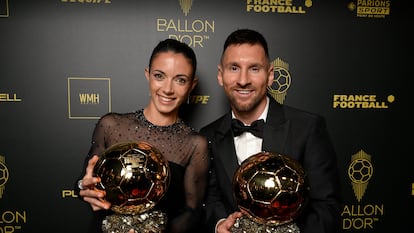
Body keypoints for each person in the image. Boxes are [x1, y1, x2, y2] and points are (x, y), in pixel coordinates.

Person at [199, 29, 341, 233]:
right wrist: (219, 224)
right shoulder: (208, 135)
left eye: (254, 68)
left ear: (270, 75)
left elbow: (327, 209)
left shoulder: (308, 128)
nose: (243, 80)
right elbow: (210, 202)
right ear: (221, 75)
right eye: (234, 68)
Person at [74, 38, 209, 233]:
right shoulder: (111, 125)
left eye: (180, 80)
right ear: (148, 75)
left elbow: (193, 212)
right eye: (159, 76)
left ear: (192, 85)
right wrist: (84, 187)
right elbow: (82, 184)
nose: (168, 89)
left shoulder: (195, 144)